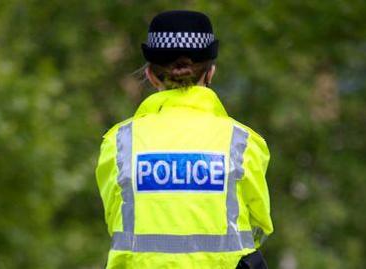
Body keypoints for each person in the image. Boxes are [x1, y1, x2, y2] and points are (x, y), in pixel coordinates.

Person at [96, 10, 273, 269]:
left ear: (151, 75)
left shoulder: (119, 142)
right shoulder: (243, 142)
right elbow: (259, 226)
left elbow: (116, 220)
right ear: (210, 72)